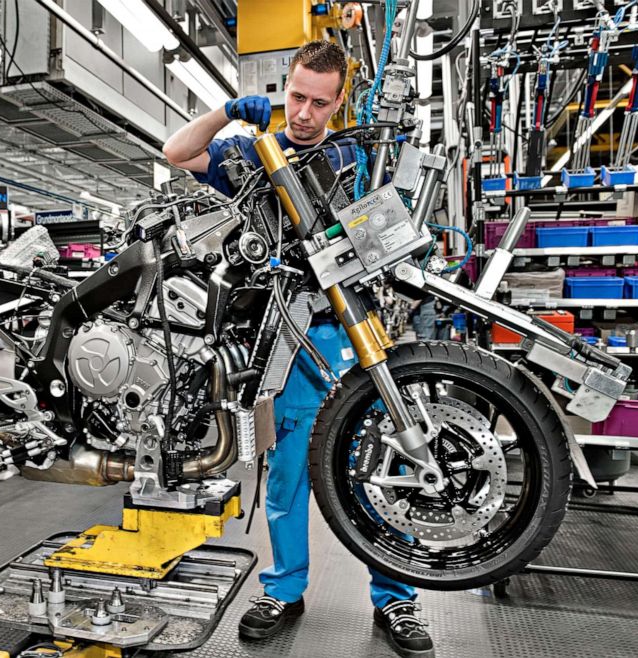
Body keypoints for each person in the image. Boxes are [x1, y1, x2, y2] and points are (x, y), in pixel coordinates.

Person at [163, 40, 435, 658]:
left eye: (319, 102)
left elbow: (391, 229)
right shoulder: (248, 152)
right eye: (296, 97)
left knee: (373, 471)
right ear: (284, 88)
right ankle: (284, 588)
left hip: (355, 330)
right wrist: (229, 110)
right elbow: (176, 151)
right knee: (286, 474)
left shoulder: (354, 157)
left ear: (339, 104)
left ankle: (397, 598)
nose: (304, 113)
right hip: (283, 336)